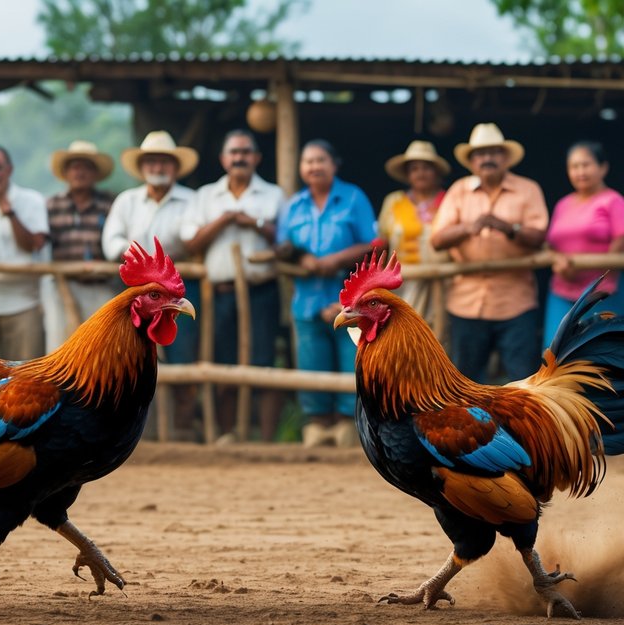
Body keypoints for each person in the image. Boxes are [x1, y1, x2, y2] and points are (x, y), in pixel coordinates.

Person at [180, 129, 286, 443]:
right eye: (234, 152)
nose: (239, 158)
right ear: (224, 159)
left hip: (261, 291)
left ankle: (266, 440)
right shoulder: (206, 197)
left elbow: (286, 241)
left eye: (246, 152)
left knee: (264, 363)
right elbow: (190, 241)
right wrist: (225, 219)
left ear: (257, 158)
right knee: (223, 364)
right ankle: (227, 435)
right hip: (221, 294)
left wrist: (253, 222)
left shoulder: (273, 195)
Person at [430, 123, 548, 384]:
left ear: (505, 158)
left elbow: (539, 237)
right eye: (480, 154)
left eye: (494, 152)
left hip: (516, 302)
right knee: (465, 385)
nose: (487, 159)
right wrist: (467, 228)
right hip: (466, 303)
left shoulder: (528, 189)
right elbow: (437, 239)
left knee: (524, 383)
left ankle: (519, 428)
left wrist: (509, 228)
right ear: (471, 161)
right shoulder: (459, 191)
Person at [278, 139, 376, 448]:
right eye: (308, 161)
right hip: (307, 301)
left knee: (352, 362)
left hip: (349, 303)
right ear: (301, 168)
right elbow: (283, 248)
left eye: (321, 160)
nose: (314, 166)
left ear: (334, 165)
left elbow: (372, 244)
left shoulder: (353, 198)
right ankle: (317, 425)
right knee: (311, 363)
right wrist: (302, 258)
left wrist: (335, 260)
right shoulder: (294, 205)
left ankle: (349, 426)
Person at [102, 130, 199, 438]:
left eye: (164, 162)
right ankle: (140, 431)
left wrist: (160, 269)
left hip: (179, 291)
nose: (158, 167)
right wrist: (141, 259)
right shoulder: (126, 201)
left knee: (185, 359)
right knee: (130, 365)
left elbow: (189, 237)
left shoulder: (191, 200)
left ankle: (181, 429)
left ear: (175, 167)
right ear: (142, 167)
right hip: (137, 297)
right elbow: (110, 242)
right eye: (151, 161)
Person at [543, 141, 624, 348]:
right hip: (561, 292)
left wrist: (596, 267)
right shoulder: (563, 204)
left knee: (606, 358)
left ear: (603, 167)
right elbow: (550, 244)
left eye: (586, 165)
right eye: (574, 166)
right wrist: (558, 261)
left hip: (602, 293)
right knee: (556, 358)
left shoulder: (613, 201)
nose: (580, 171)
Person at [0, 144, 49, 361]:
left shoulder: (32, 200)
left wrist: (5, 207)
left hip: (24, 305)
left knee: (25, 379)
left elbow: (33, 244)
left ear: (9, 170)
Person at [44, 140, 116, 350]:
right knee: (61, 347)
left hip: (101, 284)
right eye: (75, 167)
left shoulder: (109, 203)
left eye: (86, 167)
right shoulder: (52, 205)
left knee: (102, 348)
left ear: (95, 173)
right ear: (66, 173)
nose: (80, 172)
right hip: (63, 286)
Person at [378, 140, 448, 314]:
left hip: (443, 284)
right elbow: (382, 242)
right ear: (407, 174)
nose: (420, 173)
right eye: (414, 168)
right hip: (402, 286)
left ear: (437, 172)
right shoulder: (394, 201)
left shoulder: (450, 200)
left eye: (426, 168)